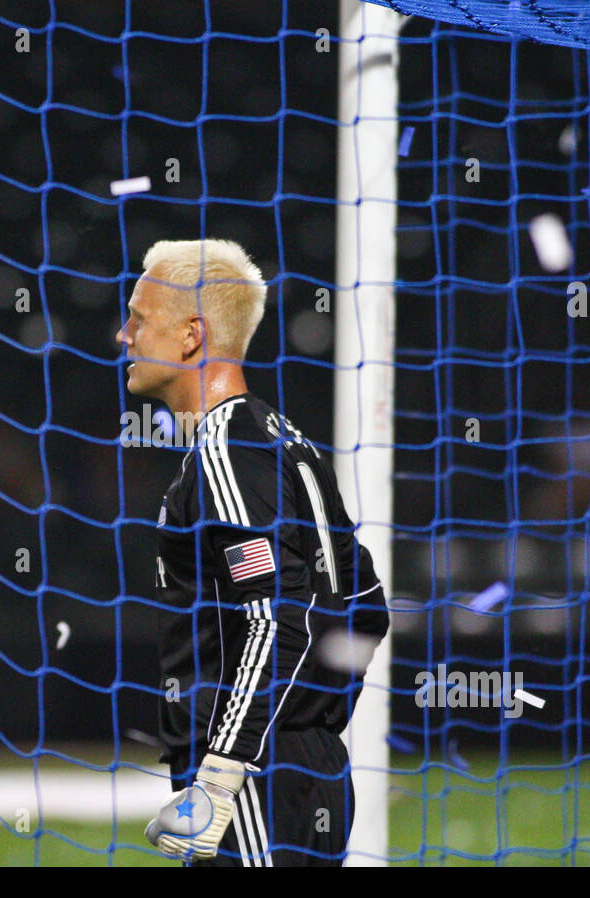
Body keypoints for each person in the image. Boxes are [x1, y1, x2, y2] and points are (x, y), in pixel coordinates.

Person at [117, 238, 390, 866]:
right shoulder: (282, 439)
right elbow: (365, 602)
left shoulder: (226, 450)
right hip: (297, 764)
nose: (124, 335)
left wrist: (224, 771)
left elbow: (276, 613)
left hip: (253, 775)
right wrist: (317, 721)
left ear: (191, 335)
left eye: (138, 318)